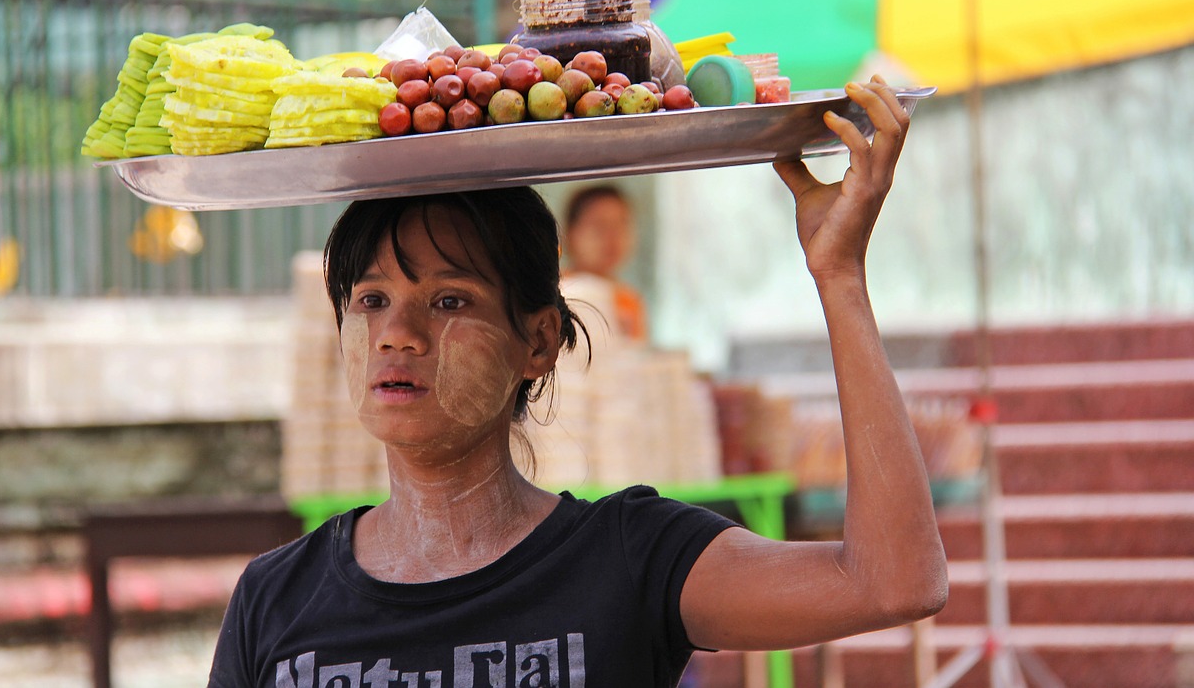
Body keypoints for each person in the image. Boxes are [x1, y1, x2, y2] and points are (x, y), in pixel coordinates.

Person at [207, 77, 948, 687]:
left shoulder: (630, 559)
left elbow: (893, 582)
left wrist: (840, 275)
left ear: (538, 341)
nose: (396, 333)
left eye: (448, 300)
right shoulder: (274, 600)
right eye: (370, 301)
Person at [561, 184, 649, 343]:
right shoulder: (559, 292)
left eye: (620, 225)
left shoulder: (629, 300)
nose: (611, 238)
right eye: (599, 226)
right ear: (570, 233)